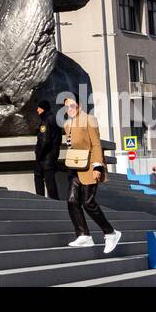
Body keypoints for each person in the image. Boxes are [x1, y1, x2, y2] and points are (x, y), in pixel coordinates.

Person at [63, 96, 122, 254]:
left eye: (72, 106)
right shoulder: (68, 124)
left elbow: (96, 144)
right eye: (67, 107)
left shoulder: (89, 120)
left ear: (80, 105)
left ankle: (111, 233)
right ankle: (83, 235)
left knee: (88, 202)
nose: (70, 109)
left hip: (90, 167)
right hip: (75, 167)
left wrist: (98, 166)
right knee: (72, 201)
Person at [32, 97, 62, 199]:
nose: (37, 110)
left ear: (43, 109)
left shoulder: (45, 121)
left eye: (38, 108)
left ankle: (41, 201)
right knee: (50, 181)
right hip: (52, 155)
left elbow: (45, 141)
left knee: (39, 178)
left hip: (45, 157)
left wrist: (39, 155)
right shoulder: (54, 119)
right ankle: (55, 202)